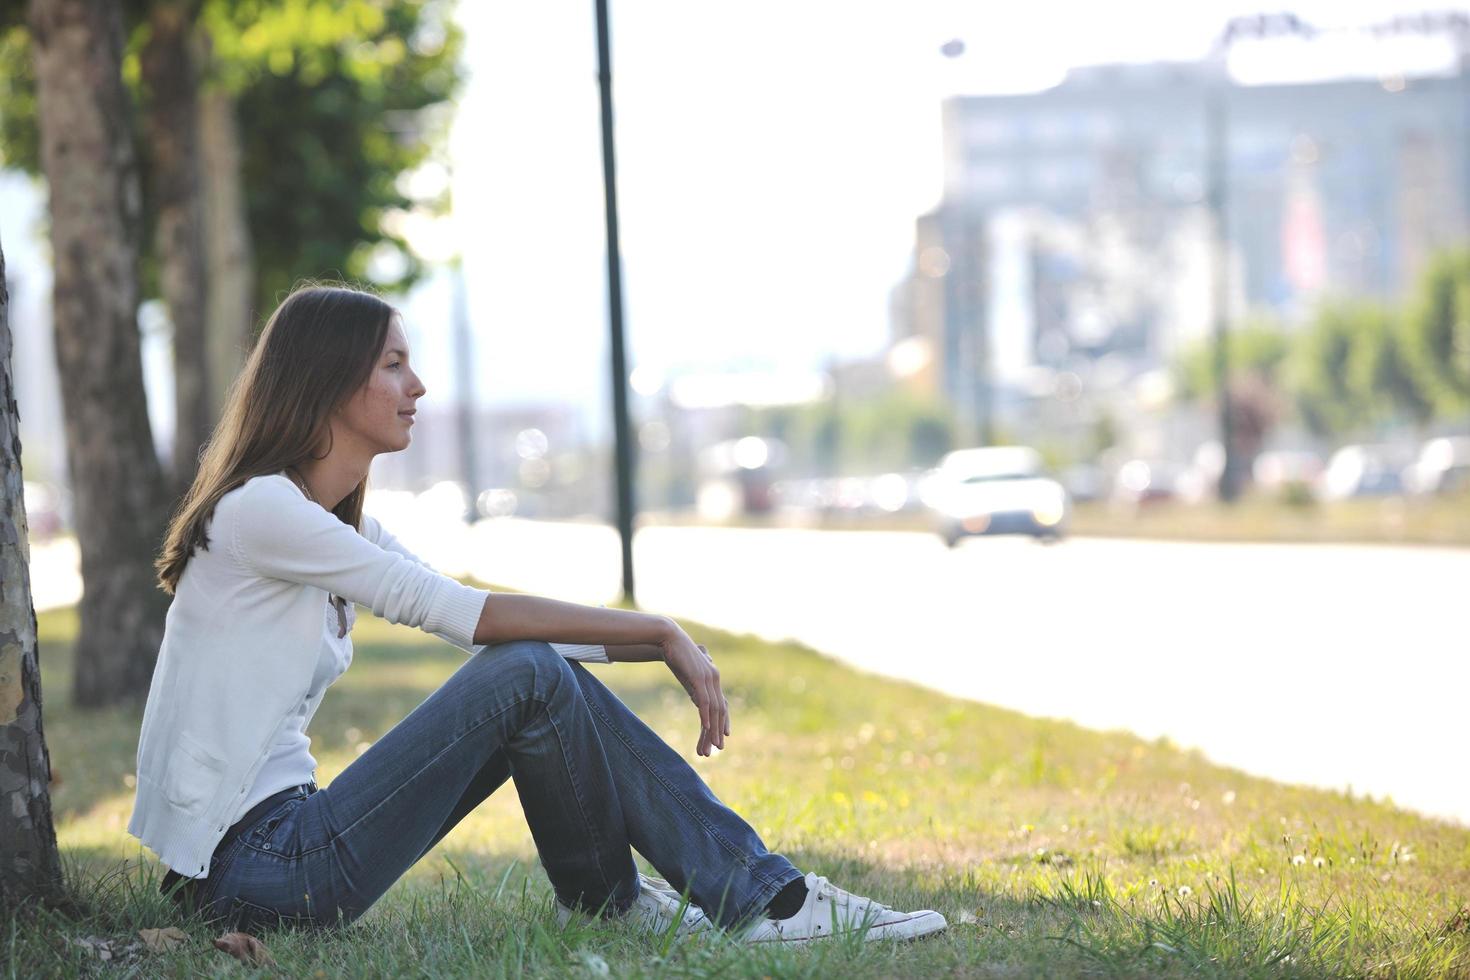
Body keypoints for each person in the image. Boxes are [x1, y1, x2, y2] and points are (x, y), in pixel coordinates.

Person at [130, 282, 947, 944]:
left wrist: (651, 642)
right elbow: (465, 616)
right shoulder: (260, 512)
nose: (416, 388)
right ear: (329, 380)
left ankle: (623, 905)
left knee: (534, 675)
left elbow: (501, 623)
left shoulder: (332, 525)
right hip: (256, 867)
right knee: (521, 671)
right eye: (393, 366)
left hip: (281, 850)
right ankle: (764, 900)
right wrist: (655, 630)